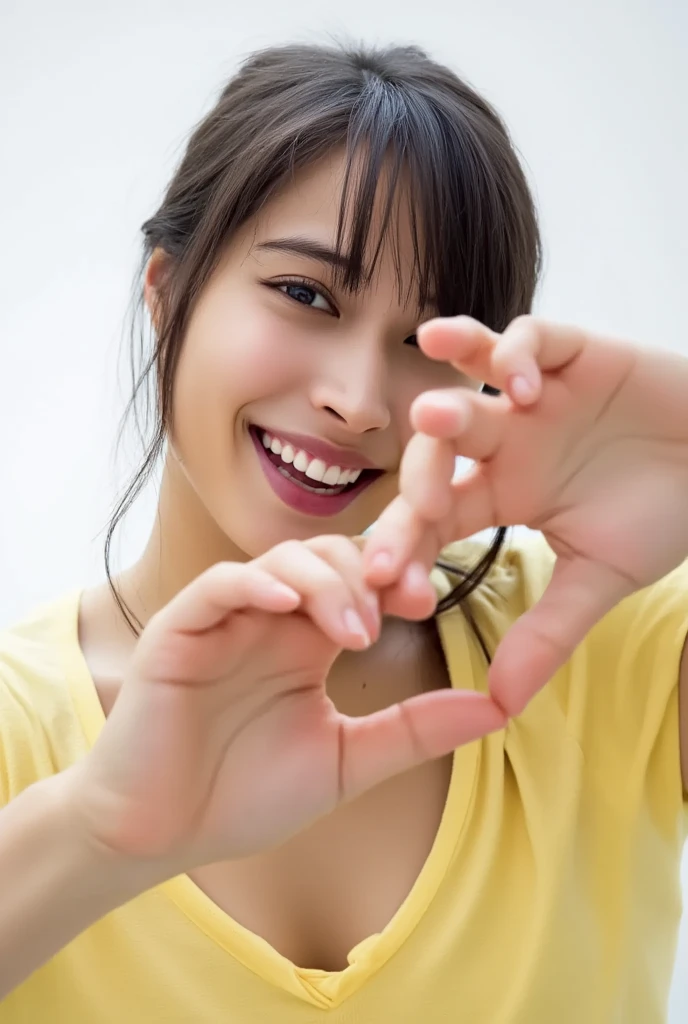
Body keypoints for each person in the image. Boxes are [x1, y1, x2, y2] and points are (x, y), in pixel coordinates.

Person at [0, 39, 686, 1024]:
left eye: (426, 341)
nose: (358, 400)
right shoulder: (18, 729)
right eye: (306, 295)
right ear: (164, 292)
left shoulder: (599, 640)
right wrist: (95, 835)